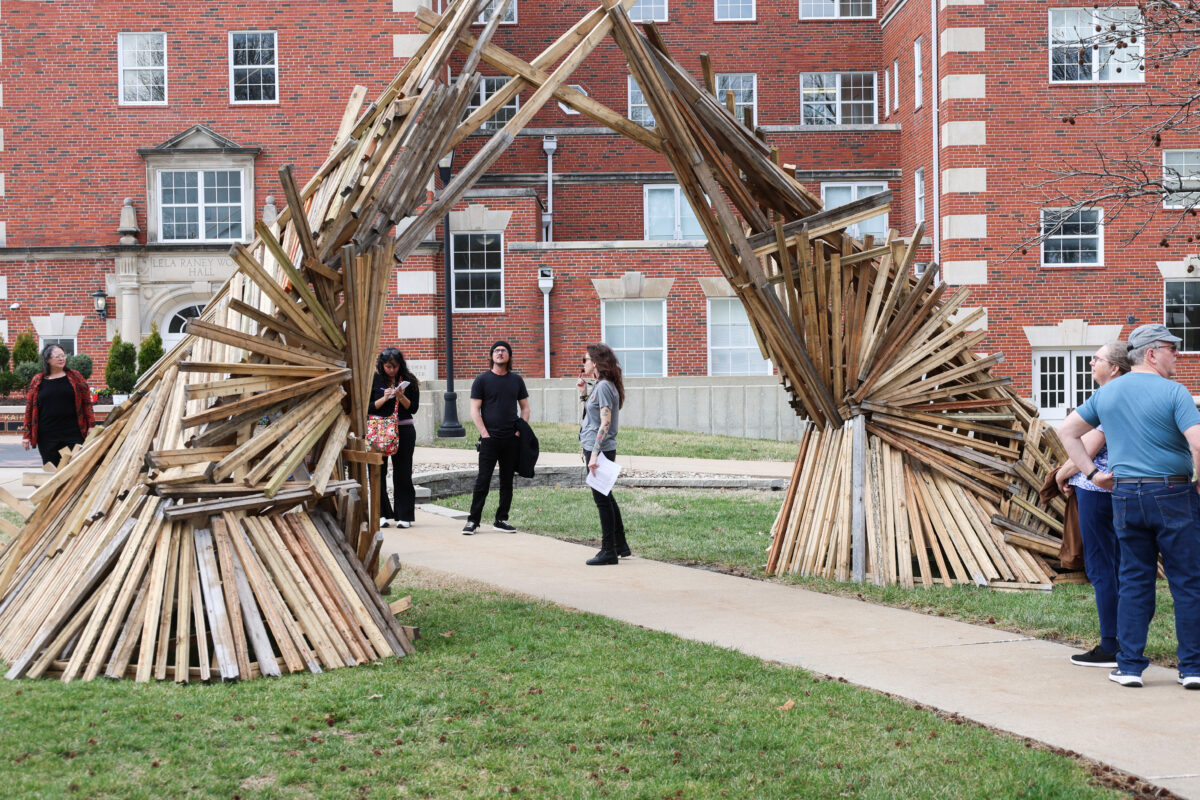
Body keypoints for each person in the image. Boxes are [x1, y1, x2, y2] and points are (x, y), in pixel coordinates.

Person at [1059, 323, 1200, 690]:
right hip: (1172, 494)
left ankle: (1130, 667)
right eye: (1172, 348)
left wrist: (1092, 474)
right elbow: (1198, 443)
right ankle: (1193, 668)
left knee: (1134, 579)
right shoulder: (1175, 392)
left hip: (1124, 496)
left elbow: (1067, 432)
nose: (1177, 355)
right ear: (1151, 353)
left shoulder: (1108, 394)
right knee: (1187, 581)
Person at [1054, 342, 1130, 667]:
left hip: (1099, 493)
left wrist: (1064, 472)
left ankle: (1111, 645)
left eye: (1096, 358)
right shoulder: (1135, 395)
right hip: (1128, 491)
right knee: (1123, 566)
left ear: (1114, 368)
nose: (1089, 362)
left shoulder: (1107, 399)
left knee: (1102, 567)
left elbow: (1090, 442)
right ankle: (1127, 642)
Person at [463, 341, 530, 535]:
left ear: (509, 356)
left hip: (511, 439)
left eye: (504, 351)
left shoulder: (516, 380)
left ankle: (501, 519)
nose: (500, 353)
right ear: (492, 355)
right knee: (482, 480)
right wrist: (484, 433)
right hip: (489, 439)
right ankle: (472, 521)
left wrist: (520, 431)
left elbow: (525, 407)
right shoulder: (482, 380)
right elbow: (474, 410)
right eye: (497, 351)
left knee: (507, 482)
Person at [577, 343, 630, 565]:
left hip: (599, 449)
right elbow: (595, 417)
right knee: (605, 494)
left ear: (596, 362)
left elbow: (605, 423)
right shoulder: (600, 386)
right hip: (595, 447)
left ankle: (608, 550)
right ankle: (620, 545)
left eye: (586, 360)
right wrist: (583, 395)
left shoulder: (604, 386)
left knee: (601, 499)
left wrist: (595, 455)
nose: (583, 364)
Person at [369, 348, 420, 529]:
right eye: (388, 366)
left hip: (404, 429)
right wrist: (384, 398)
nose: (392, 370)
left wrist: (400, 396)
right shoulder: (374, 380)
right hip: (379, 430)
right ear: (382, 365)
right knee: (377, 471)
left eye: (395, 366)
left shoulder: (409, 381)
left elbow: (413, 408)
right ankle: (381, 514)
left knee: (403, 472)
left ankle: (404, 515)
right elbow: (369, 407)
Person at [22, 344, 95, 467]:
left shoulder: (75, 377)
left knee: (74, 468)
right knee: (51, 469)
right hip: (47, 434)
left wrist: (91, 425)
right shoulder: (37, 380)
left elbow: (87, 403)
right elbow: (29, 409)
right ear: (47, 360)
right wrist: (26, 436)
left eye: (63, 355)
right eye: (57, 356)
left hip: (73, 432)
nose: (62, 359)